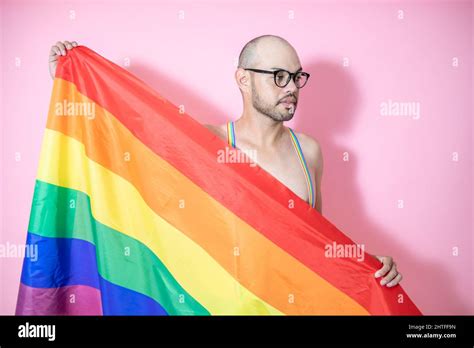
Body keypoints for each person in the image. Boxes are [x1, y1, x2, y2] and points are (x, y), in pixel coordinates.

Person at [48, 36, 403, 288]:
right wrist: (71, 80)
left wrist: (366, 265)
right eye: (279, 76)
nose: (291, 87)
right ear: (243, 79)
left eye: (297, 77)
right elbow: (126, 151)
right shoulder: (208, 142)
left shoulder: (309, 151)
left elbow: (315, 241)